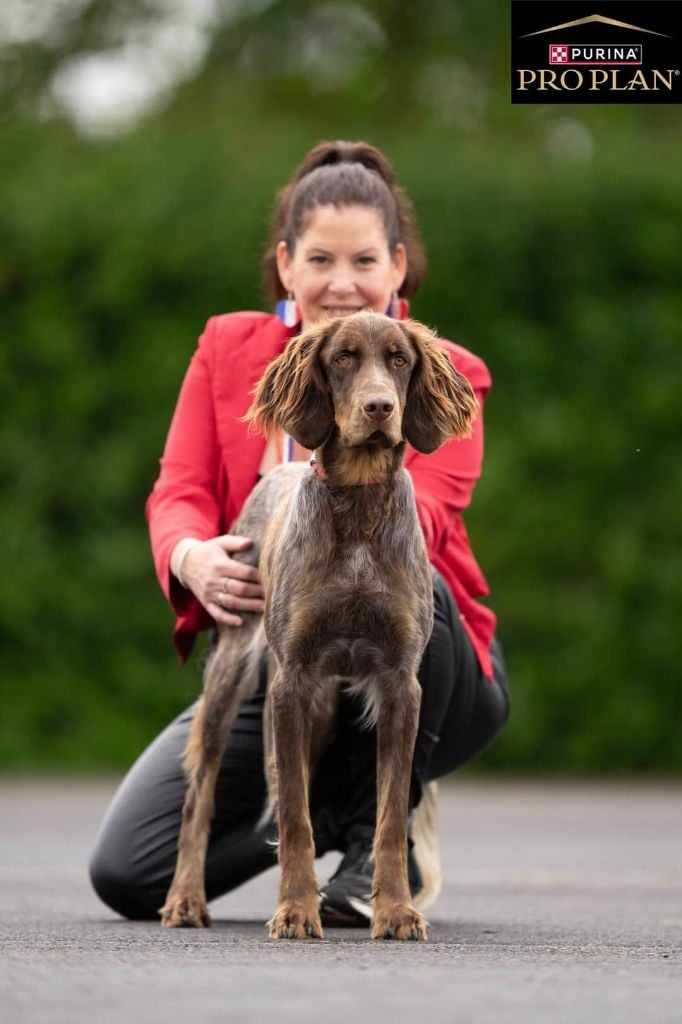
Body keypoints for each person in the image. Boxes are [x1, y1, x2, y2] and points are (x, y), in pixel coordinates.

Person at [89, 140, 510, 927]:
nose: (342, 281)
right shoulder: (230, 350)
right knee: (126, 874)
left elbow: (431, 507)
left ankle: (384, 844)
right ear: (286, 264)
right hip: (287, 643)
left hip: (430, 659)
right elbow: (179, 489)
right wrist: (191, 555)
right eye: (320, 259)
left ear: (397, 267)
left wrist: (354, 484)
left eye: (364, 260)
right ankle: (303, 820)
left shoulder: (443, 367)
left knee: (412, 583)